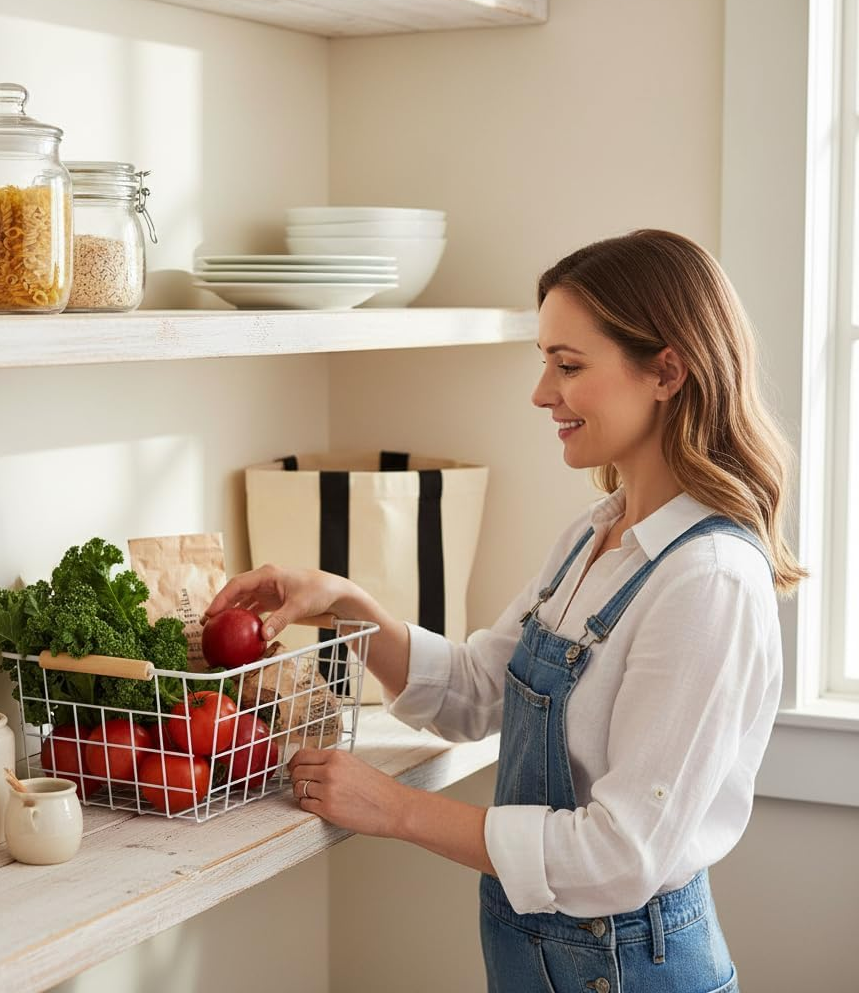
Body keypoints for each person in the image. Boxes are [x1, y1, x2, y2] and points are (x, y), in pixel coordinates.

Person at [203, 229, 805, 992]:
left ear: (667, 371)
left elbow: (622, 856)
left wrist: (397, 809)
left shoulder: (708, 582)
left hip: (629, 968)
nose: (541, 392)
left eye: (568, 364)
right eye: (545, 361)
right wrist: (347, 606)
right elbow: (477, 691)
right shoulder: (594, 536)